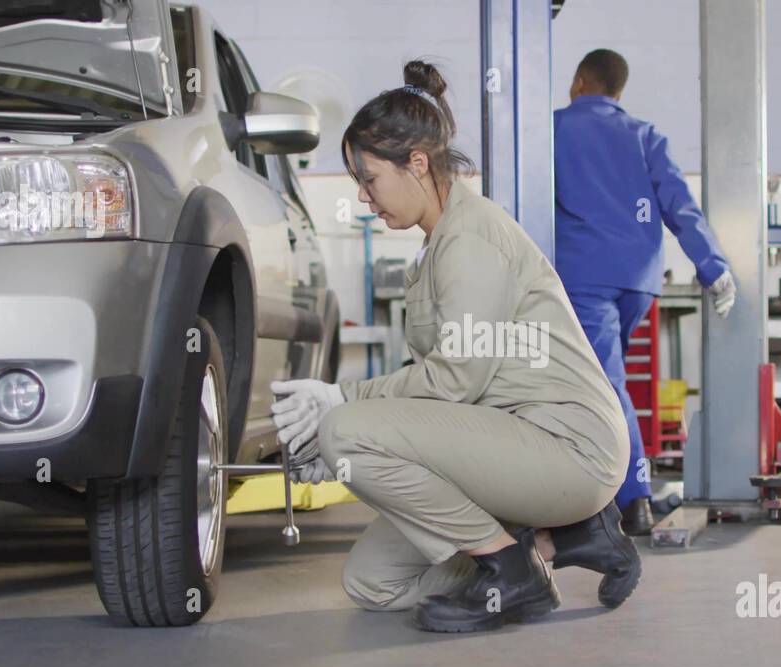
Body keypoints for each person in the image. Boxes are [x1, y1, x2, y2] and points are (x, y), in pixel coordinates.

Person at [270, 61, 641, 634]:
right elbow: (443, 391)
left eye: (368, 178)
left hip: (567, 447)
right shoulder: (437, 245)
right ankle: (549, 542)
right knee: (372, 582)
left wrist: (337, 401)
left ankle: (510, 569)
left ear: (416, 163)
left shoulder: (471, 239)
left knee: (345, 429)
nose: (364, 197)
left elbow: (453, 382)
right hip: (508, 443)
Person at [555, 49, 737, 536]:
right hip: (638, 280)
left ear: (578, 82)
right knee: (605, 382)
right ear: (619, 92)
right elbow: (680, 204)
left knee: (604, 387)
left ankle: (633, 499)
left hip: (581, 278)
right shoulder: (645, 135)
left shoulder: (550, 129)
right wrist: (712, 266)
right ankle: (603, 489)